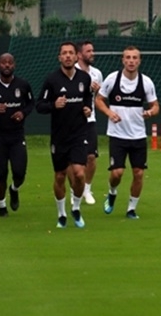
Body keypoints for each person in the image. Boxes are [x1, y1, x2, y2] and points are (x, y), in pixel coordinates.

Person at [95, 45, 159, 220]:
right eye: (128, 58)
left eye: (134, 58)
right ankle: (112, 192)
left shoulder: (146, 82)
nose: (131, 61)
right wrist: (109, 113)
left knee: (138, 173)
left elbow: (155, 106)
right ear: (123, 60)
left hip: (138, 136)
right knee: (117, 173)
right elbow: (99, 100)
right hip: (117, 135)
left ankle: (131, 209)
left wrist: (150, 112)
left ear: (139, 61)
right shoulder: (112, 79)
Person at [36, 42, 93, 228]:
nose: (68, 56)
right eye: (64, 53)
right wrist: (54, 105)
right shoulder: (52, 80)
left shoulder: (84, 78)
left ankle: (76, 208)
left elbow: (87, 100)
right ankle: (61, 214)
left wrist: (87, 109)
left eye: (71, 53)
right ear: (59, 57)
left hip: (79, 134)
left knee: (79, 174)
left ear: (77, 57)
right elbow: (40, 106)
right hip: (60, 136)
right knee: (60, 176)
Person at [0, 53, 34, 217]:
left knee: (19, 172)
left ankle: (14, 189)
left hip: (17, 136)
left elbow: (31, 103)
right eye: (3, 62)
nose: (7, 65)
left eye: (10, 63)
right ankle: (1, 205)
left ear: (14, 65)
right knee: (1, 173)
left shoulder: (23, 85)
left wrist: (23, 113)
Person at [75, 40, 104, 205]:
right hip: (73, 121)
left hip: (90, 120)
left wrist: (96, 90)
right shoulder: (73, 72)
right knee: (74, 160)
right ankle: (74, 191)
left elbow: (99, 96)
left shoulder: (97, 73)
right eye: (88, 51)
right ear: (79, 54)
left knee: (91, 157)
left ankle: (86, 189)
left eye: (92, 50)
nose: (92, 53)